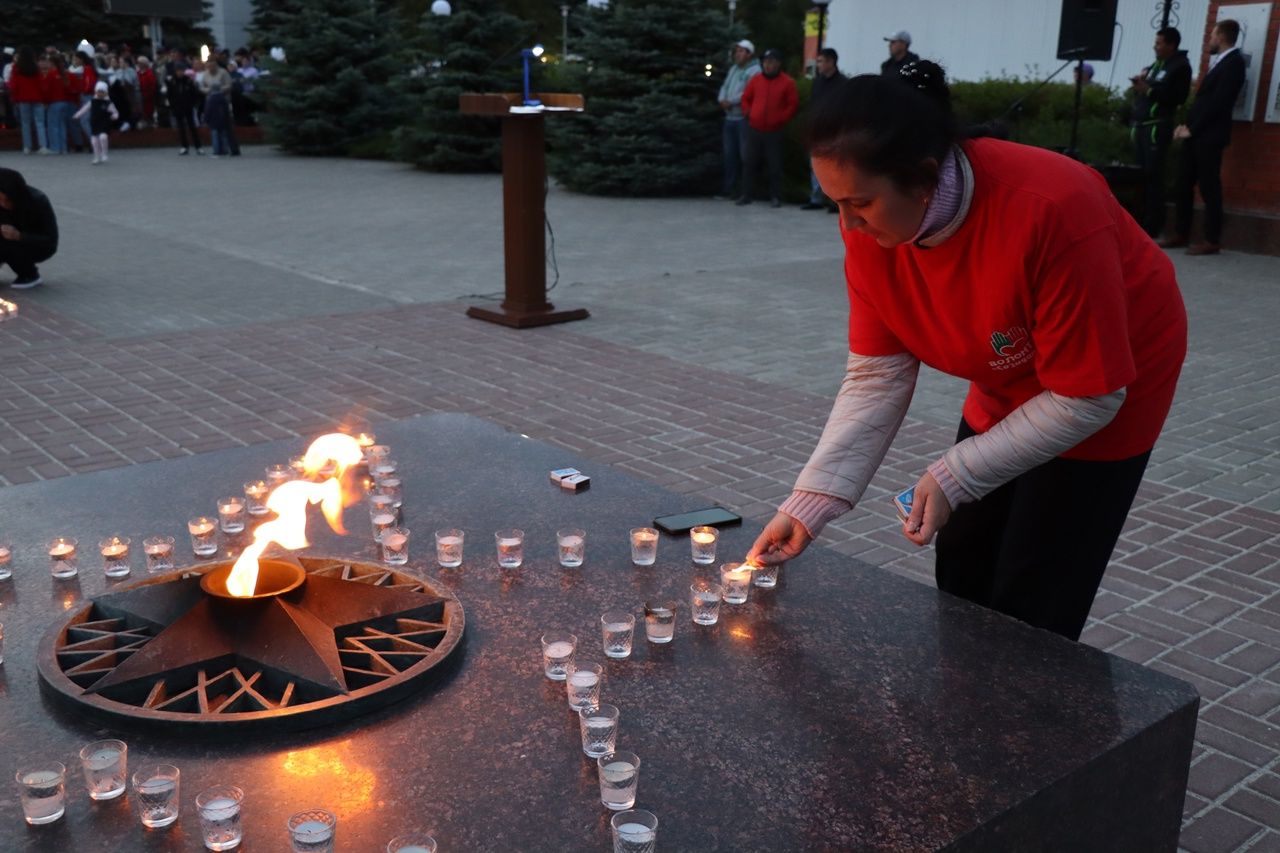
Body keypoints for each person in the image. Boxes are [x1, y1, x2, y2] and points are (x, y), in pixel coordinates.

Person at [746, 62, 1187, 642]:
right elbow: (876, 377)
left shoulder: (1053, 206)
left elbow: (1089, 394)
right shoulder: (875, 228)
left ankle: (1028, 721)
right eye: (836, 203)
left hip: (1107, 382)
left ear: (926, 178)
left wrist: (956, 472)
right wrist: (812, 501)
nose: (848, 224)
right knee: (965, 564)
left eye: (860, 203)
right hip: (1009, 372)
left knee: (1035, 590)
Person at [1163, 19, 1246, 255]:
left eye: (1212, 35)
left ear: (1221, 36)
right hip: (1196, 133)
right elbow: (1202, 102)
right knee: (1183, 183)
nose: (1209, 39)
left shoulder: (1234, 63)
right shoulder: (1219, 62)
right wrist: (1185, 126)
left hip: (1210, 136)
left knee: (1209, 186)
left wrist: (1194, 129)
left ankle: (1212, 238)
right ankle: (1181, 232)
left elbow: (1219, 103)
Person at [1130, 27, 1191, 238]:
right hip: (1142, 126)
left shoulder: (1180, 66)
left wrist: (1148, 89)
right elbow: (1148, 89)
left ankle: (1153, 225)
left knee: (1153, 176)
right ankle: (1138, 221)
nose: (1155, 47)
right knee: (1140, 176)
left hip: (1158, 127)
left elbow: (1177, 96)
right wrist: (1141, 82)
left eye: (1159, 43)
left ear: (1171, 45)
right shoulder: (1155, 66)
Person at [738, 49, 798, 208]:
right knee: (749, 163)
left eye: (771, 61)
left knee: (775, 165)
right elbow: (745, 98)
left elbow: (792, 105)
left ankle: (776, 196)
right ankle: (746, 194)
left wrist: (781, 119)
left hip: (775, 131)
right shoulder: (756, 80)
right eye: (765, 61)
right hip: (754, 129)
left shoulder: (787, 82)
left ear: (778, 63)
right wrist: (748, 112)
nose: (768, 64)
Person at [802, 47, 846, 211]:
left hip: (834, 131)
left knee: (835, 167)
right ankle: (816, 199)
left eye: (821, 61)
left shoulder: (842, 83)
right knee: (816, 165)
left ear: (831, 62)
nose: (818, 64)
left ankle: (836, 202)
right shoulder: (818, 81)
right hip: (817, 129)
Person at [716, 40, 761, 200]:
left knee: (744, 155)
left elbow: (747, 92)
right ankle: (728, 188)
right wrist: (721, 99)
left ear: (749, 54)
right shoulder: (734, 69)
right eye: (737, 51)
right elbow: (725, 86)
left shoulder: (755, 71)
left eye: (742, 51)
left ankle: (743, 190)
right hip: (729, 117)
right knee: (730, 155)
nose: (738, 54)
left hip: (742, 118)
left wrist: (731, 101)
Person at [0, 168, 59, 290]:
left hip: (36, 245)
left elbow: (50, 239)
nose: (3, 204)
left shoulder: (37, 201)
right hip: (7, 242)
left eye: (7, 200)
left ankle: (29, 275)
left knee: (8, 243)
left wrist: (19, 236)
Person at [8, 46, 48, 154]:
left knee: (25, 123)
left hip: (23, 98)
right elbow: (42, 85)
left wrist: (14, 98)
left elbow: (14, 85)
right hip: (37, 98)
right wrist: (44, 98)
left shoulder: (16, 68)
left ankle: (27, 146)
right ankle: (43, 146)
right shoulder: (36, 68)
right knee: (40, 123)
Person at [164, 49, 203, 155]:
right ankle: (184, 146)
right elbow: (169, 95)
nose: (180, 72)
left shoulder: (188, 81)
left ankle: (198, 147)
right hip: (177, 107)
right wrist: (172, 105)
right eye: (178, 70)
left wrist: (193, 104)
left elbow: (194, 94)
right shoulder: (171, 82)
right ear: (175, 71)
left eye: (182, 70)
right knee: (181, 128)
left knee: (192, 127)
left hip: (188, 107)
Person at [72, 81, 119, 165]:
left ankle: (104, 154)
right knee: (94, 141)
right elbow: (84, 109)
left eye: (102, 92)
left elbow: (115, 112)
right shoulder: (92, 102)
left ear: (106, 92)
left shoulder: (108, 103)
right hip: (94, 123)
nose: (100, 93)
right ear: (95, 91)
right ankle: (96, 156)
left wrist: (114, 116)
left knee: (103, 137)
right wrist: (77, 115)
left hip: (104, 123)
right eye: (98, 91)